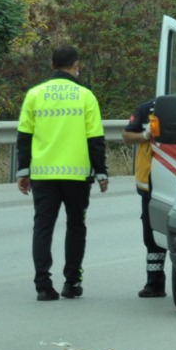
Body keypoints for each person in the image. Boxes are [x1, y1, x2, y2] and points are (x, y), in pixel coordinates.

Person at [16, 45, 108, 301]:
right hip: (77, 176)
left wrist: (24, 171)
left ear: (51, 65)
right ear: (76, 65)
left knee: (42, 227)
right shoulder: (85, 96)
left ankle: (43, 285)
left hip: (43, 175)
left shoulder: (34, 94)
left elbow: (24, 137)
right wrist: (101, 172)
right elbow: (95, 139)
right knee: (76, 226)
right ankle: (72, 282)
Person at [122, 98, 169, 297]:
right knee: (151, 235)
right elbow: (127, 135)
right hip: (151, 182)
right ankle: (155, 282)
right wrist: (145, 134)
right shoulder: (146, 108)